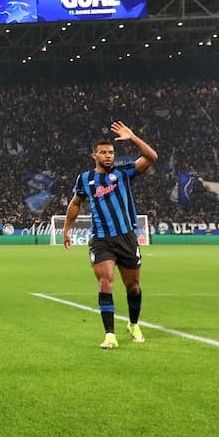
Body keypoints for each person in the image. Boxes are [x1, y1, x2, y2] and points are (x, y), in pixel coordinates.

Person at [61, 121, 157, 349]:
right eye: (103, 152)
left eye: (111, 152)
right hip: (101, 239)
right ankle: (110, 335)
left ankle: (133, 324)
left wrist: (132, 137)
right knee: (106, 282)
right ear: (94, 155)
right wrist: (66, 230)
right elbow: (75, 203)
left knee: (133, 286)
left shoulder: (124, 173)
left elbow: (151, 156)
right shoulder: (85, 179)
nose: (108, 156)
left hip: (126, 237)